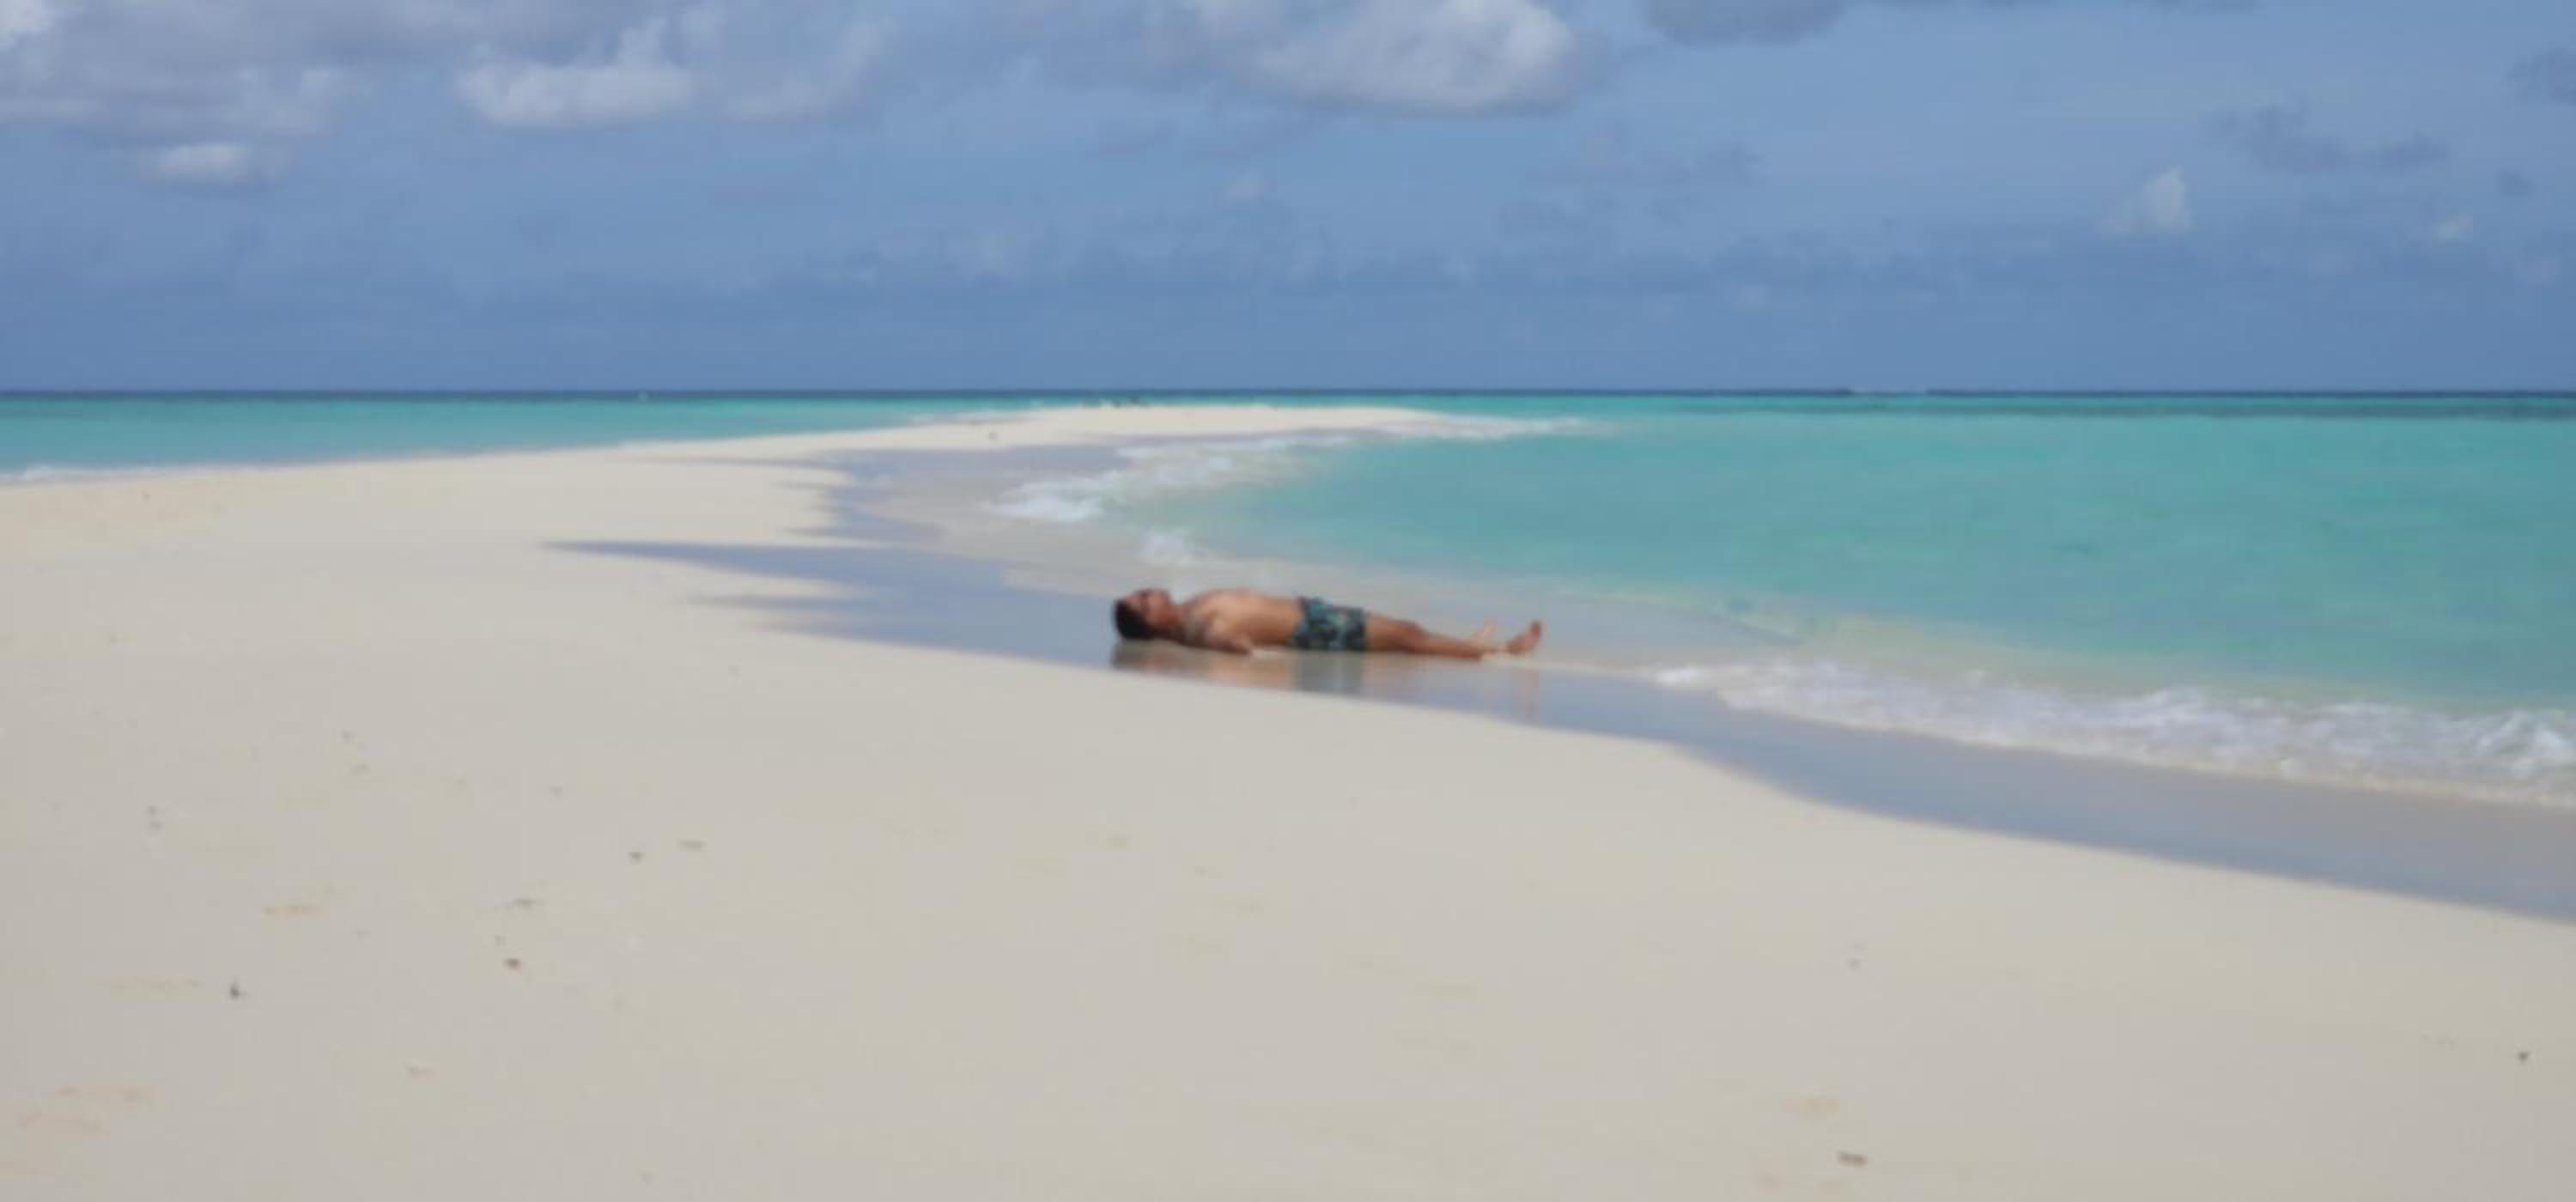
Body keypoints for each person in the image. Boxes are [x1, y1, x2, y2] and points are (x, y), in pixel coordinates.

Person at [1112, 586, 1541, 659]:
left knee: (1406, 632)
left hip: (1313, 614)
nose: (1149, 592)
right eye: (1144, 601)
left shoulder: (1189, 610)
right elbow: (1232, 643)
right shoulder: (1198, 627)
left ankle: (1469, 644)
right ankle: (1500, 650)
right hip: (1315, 627)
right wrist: (1235, 646)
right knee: (1407, 636)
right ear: (1154, 623)